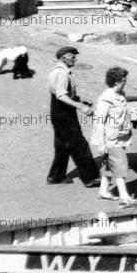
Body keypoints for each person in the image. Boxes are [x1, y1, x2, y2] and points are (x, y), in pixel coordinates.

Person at [46, 46, 100, 187]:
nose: (75, 58)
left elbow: (60, 93)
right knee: (79, 144)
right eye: (72, 56)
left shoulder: (55, 71)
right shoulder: (63, 73)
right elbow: (61, 95)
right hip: (64, 113)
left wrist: (79, 100)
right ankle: (91, 178)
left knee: (63, 145)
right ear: (64, 57)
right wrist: (80, 106)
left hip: (57, 111)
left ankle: (56, 176)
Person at [91, 66, 137, 204]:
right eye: (123, 79)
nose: (125, 81)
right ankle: (124, 196)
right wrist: (101, 143)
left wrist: (133, 114)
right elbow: (99, 122)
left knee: (109, 165)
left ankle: (104, 191)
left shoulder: (121, 95)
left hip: (120, 137)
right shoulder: (106, 99)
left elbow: (123, 113)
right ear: (116, 81)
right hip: (110, 139)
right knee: (120, 164)